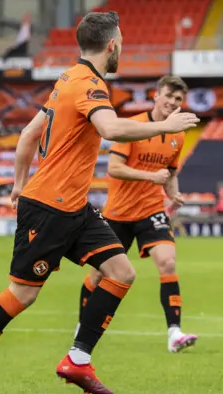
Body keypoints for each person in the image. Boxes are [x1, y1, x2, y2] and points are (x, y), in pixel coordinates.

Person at [0, 11, 199, 394]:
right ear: (111, 46)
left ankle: (78, 358)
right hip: (49, 208)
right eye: (122, 44)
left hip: (72, 206)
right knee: (22, 295)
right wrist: (165, 126)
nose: (122, 49)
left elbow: (29, 134)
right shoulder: (90, 86)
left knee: (121, 271)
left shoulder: (66, 79)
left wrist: (18, 183)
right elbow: (110, 130)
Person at [76, 75, 198, 353]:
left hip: (151, 209)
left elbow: (170, 172)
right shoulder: (134, 126)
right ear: (156, 95)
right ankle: (83, 328)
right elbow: (114, 169)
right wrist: (151, 177)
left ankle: (174, 333)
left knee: (167, 262)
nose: (173, 102)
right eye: (169, 95)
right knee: (98, 275)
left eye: (178, 99)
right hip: (118, 213)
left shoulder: (178, 134)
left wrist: (172, 193)